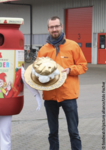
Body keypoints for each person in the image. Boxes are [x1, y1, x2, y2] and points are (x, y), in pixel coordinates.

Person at [36, 16, 88, 150]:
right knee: (53, 133)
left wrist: (70, 70)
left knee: (74, 132)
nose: (54, 29)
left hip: (68, 96)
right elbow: (37, 72)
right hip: (50, 96)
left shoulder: (73, 46)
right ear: (48, 29)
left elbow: (83, 66)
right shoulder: (43, 50)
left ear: (61, 27)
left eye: (56, 26)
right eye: (51, 27)